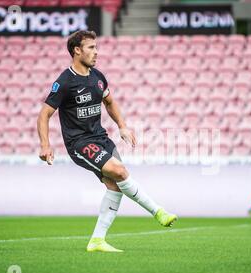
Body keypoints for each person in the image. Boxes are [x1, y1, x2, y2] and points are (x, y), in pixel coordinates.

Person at [37, 30, 177, 253]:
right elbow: (44, 114)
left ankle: (97, 241)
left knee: (115, 186)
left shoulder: (98, 77)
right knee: (120, 172)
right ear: (77, 50)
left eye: (96, 47)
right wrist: (45, 144)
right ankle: (158, 211)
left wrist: (122, 126)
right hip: (79, 143)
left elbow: (110, 102)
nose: (96, 52)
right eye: (91, 47)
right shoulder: (64, 82)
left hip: (101, 138)